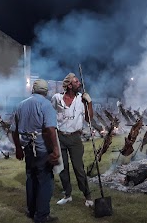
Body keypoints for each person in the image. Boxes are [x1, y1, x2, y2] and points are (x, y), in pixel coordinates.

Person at [10, 79, 60, 223]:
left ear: (33, 90)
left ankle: (31, 211)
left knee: (31, 179)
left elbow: (14, 130)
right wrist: (55, 150)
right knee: (45, 181)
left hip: (28, 149)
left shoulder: (20, 105)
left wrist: (18, 148)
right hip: (42, 149)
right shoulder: (46, 105)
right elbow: (51, 129)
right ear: (46, 92)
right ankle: (42, 216)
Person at [51, 72, 94, 207]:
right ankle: (67, 195)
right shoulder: (57, 98)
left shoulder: (82, 99)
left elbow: (89, 119)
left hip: (75, 137)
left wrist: (90, 103)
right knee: (62, 168)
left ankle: (87, 196)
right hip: (60, 136)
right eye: (76, 82)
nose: (79, 83)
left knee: (78, 168)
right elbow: (50, 115)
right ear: (69, 85)